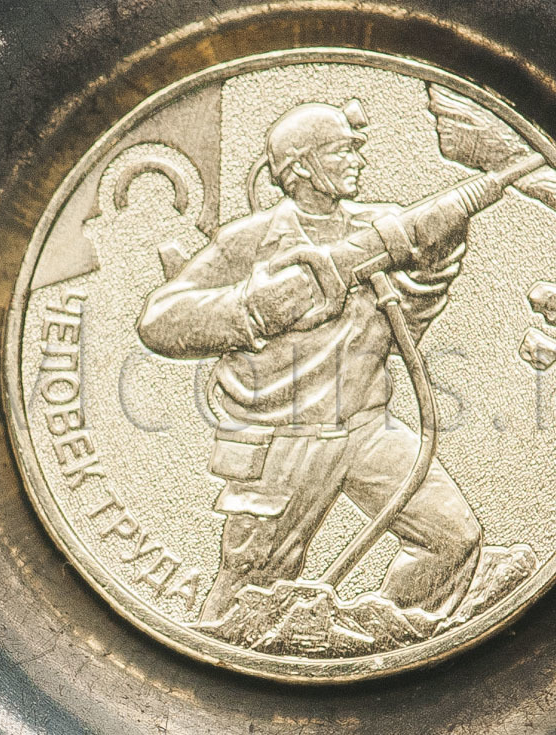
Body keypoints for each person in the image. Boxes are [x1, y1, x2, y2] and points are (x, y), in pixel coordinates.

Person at [137, 100, 482, 624]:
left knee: (452, 539)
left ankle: (376, 646)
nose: (357, 161)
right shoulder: (250, 240)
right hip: (282, 442)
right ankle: (219, 665)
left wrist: (437, 260)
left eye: (355, 150)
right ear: (300, 166)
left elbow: (403, 325)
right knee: (254, 581)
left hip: (368, 428)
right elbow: (160, 320)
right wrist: (256, 308)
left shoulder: (379, 226)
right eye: (342, 151)